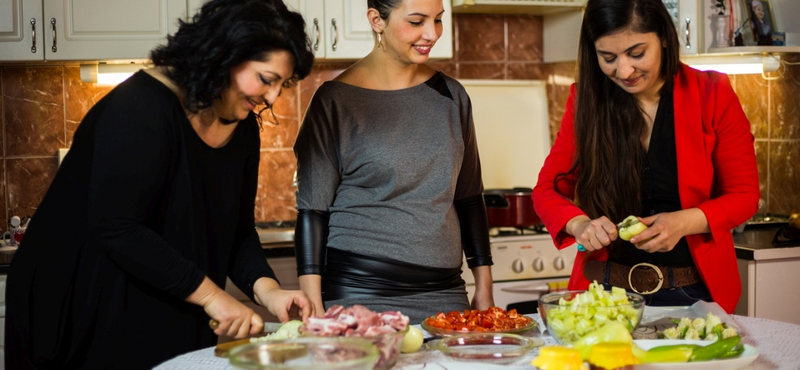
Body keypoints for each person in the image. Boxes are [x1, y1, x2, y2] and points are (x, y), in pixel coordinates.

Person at [5, 0, 315, 368]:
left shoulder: (242, 125)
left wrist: (271, 292)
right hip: (81, 302)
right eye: (267, 79)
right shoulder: (140, 109)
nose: (273, 97)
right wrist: (212, 296)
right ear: (224, 55)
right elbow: (118, 227)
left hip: (164, 297)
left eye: (282, 84)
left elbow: (236, 231)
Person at [532, 0, 759, 314]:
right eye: (608, 57)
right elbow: (547, 191)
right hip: (605, 295)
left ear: (664, 37)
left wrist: (682, 223)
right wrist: (580, 224)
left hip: (694, 296)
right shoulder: (584, 101)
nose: (624, 71)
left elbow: (744, 195)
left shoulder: (713, 94)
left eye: (637, 53)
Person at [293, 0, 494, 323]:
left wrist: (484, 285)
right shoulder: (335, 101)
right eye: (416, 22)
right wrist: (314, 306)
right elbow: (313, 211)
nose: (432, 33)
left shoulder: (452, 96)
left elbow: (469, 197)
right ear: (376, 20)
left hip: (446, 296)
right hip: (358, 298)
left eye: (438, 20)